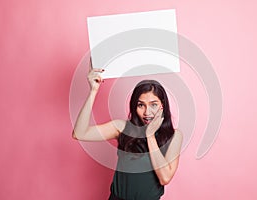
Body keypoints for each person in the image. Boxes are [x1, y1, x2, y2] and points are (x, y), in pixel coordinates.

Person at [72, 67, 183, 200]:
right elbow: (79, 133)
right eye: (141, 105)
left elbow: (165, 178)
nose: (147, 112)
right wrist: (93, 91)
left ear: (162, 105)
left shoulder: (174, 136)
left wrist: (150, 135)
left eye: (153, 105)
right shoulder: (123, 127)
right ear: (134, 107)